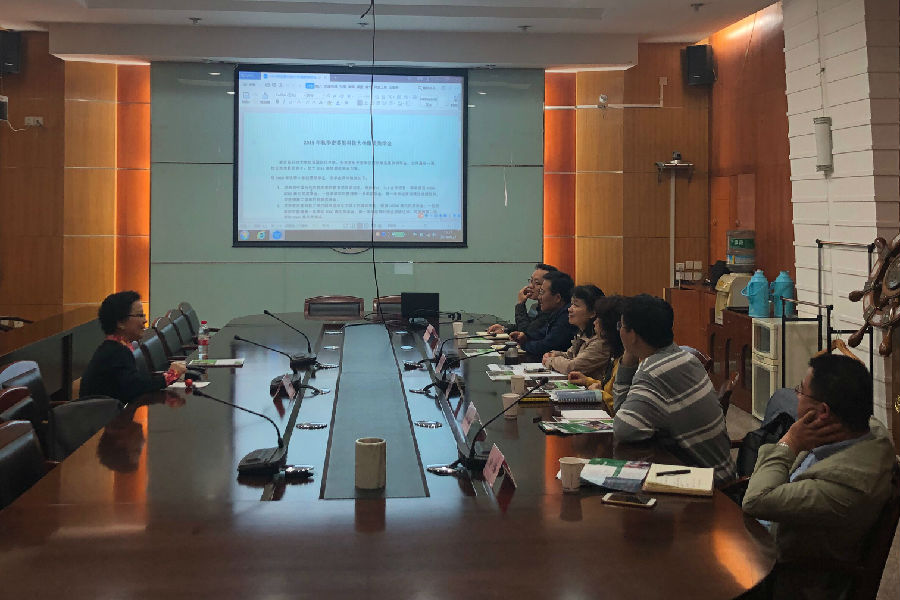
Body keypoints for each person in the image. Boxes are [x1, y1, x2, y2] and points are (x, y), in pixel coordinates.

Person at [742, 354, 896, 600]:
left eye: (800, 391)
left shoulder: (846, 483)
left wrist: (789, 442)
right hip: (765, 533)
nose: (795, 396)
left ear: (823, 411)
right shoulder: (863, 430)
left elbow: (755, 501)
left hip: (778, 574)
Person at [612, 294, 735, 484]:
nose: (619, 331)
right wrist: (630, 353)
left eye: (621, 326)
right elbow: (623, 414)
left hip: (706, 484)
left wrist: (628, 355)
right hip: (719, 471)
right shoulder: (685, 357)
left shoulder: (653, 372)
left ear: (633, 335)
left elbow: (623, 429)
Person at [80, 291, 186, 404]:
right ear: (120, 323)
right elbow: (135, 388)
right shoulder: (115, 353)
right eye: (140, 315)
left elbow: (134, 382)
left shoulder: (116, 347)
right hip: (102, 414)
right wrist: (170, 376)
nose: (145, 320)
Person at [567, 295, 627, 414]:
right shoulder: (616, 353)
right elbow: (609, 386)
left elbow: (620, 406)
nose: (594, 322)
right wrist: (587, 381)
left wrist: (599, 394)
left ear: (608, 324)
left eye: (598, 319)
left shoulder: (626, 359)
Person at [541, 284, 608, 378]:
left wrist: (550, 361)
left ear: (592, 313)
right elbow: (571, 355)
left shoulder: (600, 341)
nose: (569, 309)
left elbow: (572, 367)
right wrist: (555, 354)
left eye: (576, 305)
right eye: (571, 304)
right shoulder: (583, 334)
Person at [509, 271, 578, 356]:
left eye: (542, 292)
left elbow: (546, 347)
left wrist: (523, 344)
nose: (539, 297)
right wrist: (525, 336)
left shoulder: (566, 316)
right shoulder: (556, 312)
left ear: (557, 298)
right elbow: (540, 333)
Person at [487, 263, 557, 335]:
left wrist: (520, 304)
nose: (530, 286)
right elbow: (527, 325)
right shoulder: (535, 306)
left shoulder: (550, 310)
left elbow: (526, 332)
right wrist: (504, 329)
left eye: (537, 283)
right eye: (531, 281)